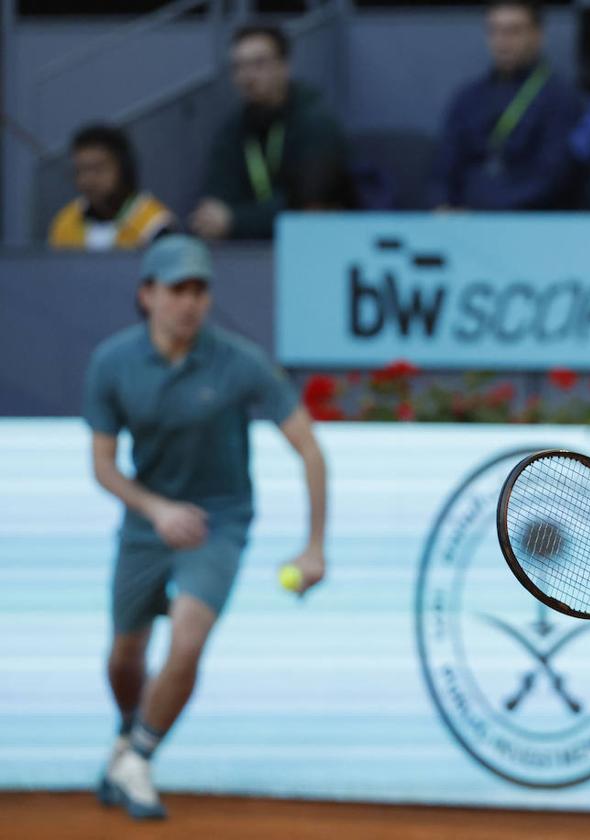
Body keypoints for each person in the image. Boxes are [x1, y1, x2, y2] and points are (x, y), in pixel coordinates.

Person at [83, 235, 328, 820]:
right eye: (176, 290)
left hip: (220, 521)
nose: (190, 302)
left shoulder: (240, 362)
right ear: (147, 295)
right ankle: (127, 736)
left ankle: (139, 756)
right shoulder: (111, 364)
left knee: (188, 638)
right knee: (125, 654)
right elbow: (102, 466)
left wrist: (314, 546)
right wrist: (157, 510)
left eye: (200, 289)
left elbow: (310, 451)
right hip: (148, 522)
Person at [190, 24, 355, 240]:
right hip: (246, 253)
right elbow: (216, 201)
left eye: (258, 64)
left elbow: (309, 208)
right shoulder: (232, 129)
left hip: (313, 246)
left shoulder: (316, 123)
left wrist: (236, 220)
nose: (247, 77)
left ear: (284, 66)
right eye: (238, 67)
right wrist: (216, 217)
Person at [429, 1, 582, 210]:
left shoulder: (560, 99)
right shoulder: (468, 97)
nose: (502, 41)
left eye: (513, 31)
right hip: (462, 222)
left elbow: (552, 179)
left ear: (537, 35)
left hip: (528, 220)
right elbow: (442, 170)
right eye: (494, 31)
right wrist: (441, 205)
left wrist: (485, 212)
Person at [48, 124, 174, 250]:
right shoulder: (65, 222)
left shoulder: (155, 224)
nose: (87, 180)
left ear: (124, 170)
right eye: (80, 170)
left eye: (98, 169)